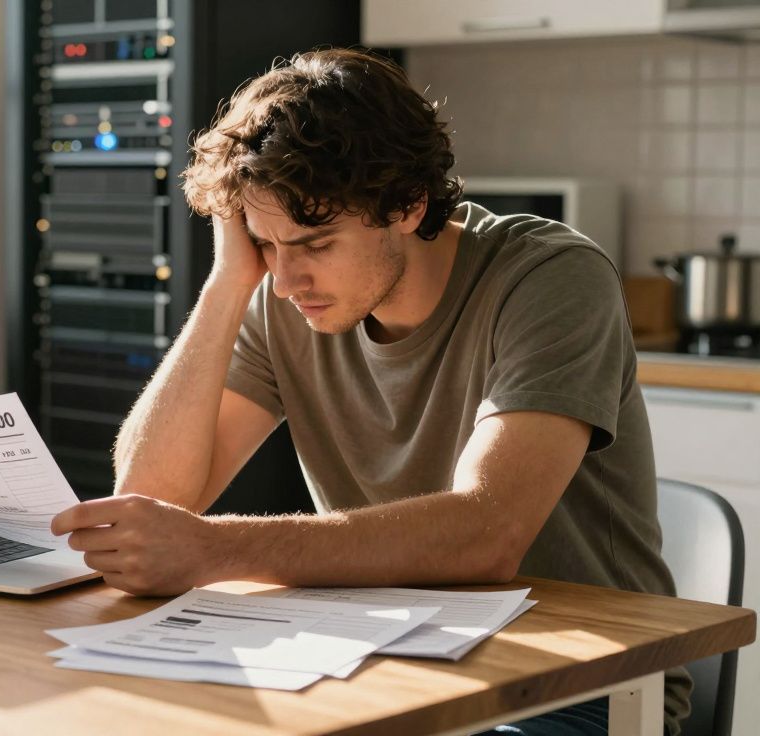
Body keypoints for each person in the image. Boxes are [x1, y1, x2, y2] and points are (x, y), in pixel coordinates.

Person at [49, 48, 686, 735]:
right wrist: (227, 283)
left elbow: (487, 533)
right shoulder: (281, 297)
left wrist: (215, 549)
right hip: (386, 662)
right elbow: (153, 500)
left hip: (583, 688)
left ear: (408, 204)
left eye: (316, 244)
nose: (288, 280)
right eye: (266, 242)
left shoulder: (550, 279)